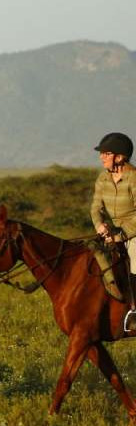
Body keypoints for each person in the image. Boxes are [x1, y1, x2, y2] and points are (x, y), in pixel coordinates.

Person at [90, 132, 136, 329]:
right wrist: (100, 226)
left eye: (106, 153)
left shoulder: (134, 178)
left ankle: (134, 310)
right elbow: (95, 208)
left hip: (133, 233)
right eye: (102, 153)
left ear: (120, 157)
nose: (102, 157)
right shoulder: (102, 178)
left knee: (135, 265)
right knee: (95, 256)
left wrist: (121, 233)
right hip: (112, 232)